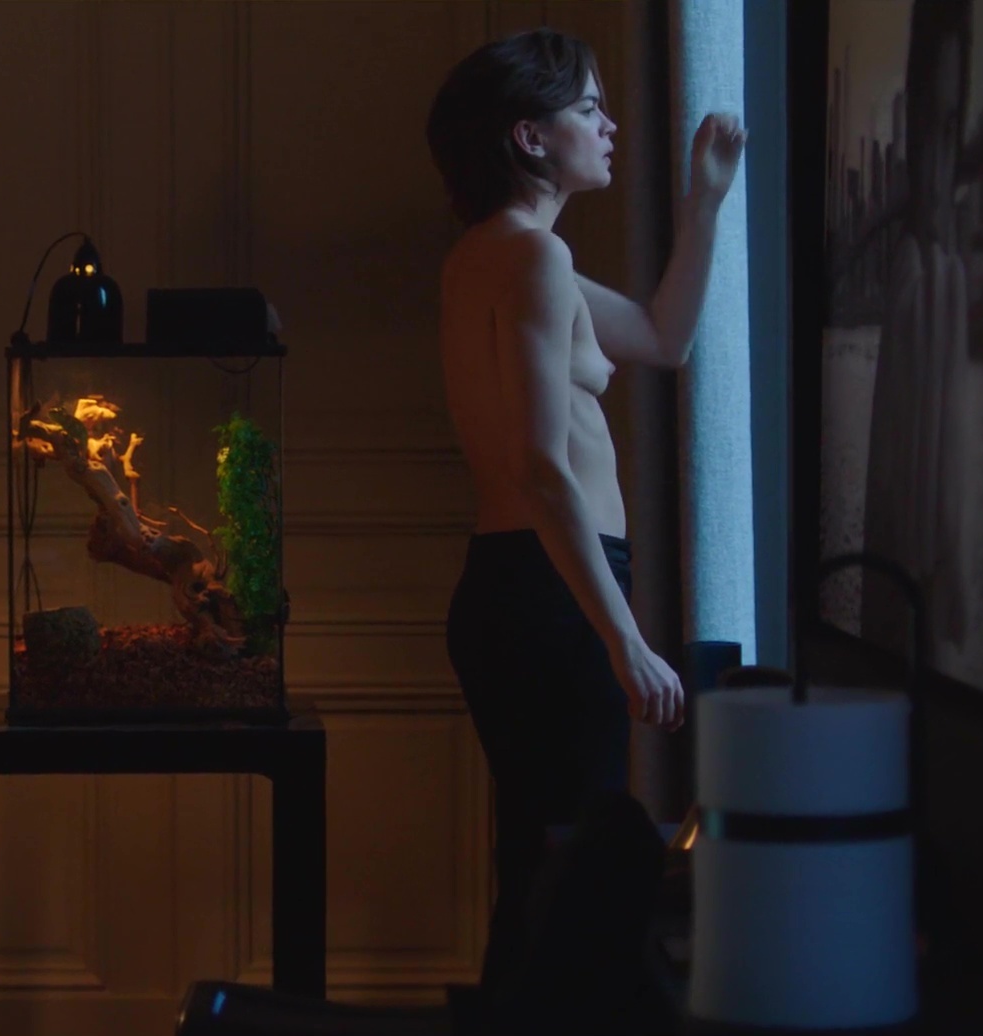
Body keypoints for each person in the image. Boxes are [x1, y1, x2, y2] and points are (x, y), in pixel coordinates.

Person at [425, 26, 744, 1022]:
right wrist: (625, 638)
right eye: (588, 109)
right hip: (550, 592)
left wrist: (704, 202)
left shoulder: (494, 256)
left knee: (539, 869)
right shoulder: (531, 256)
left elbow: (661, 336)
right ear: (530, 136)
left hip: (520, 588)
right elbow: (540, 465)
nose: (608, 126)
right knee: (563, 875)